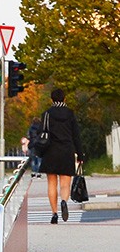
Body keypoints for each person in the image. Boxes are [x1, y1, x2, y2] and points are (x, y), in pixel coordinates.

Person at [38, 89, 84, 224]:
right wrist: (80, 154)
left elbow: (42, 133)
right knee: (65, 184)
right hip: (66, 151)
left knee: (51, 184)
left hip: (51, 152)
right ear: (64, 99)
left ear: (52, 99)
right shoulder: (70, 114)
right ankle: (64, 201)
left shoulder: (47, 114)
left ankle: (54, 214)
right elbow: (76, 135)